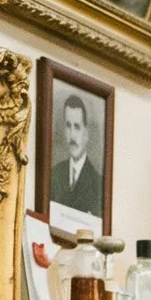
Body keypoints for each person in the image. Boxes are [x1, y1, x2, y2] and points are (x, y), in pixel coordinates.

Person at [49, 91, 103, 220]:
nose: (72, 135)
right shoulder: (55, 173)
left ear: (86, 133)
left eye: (77, 127)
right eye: (68, 126)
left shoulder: (97, 183)